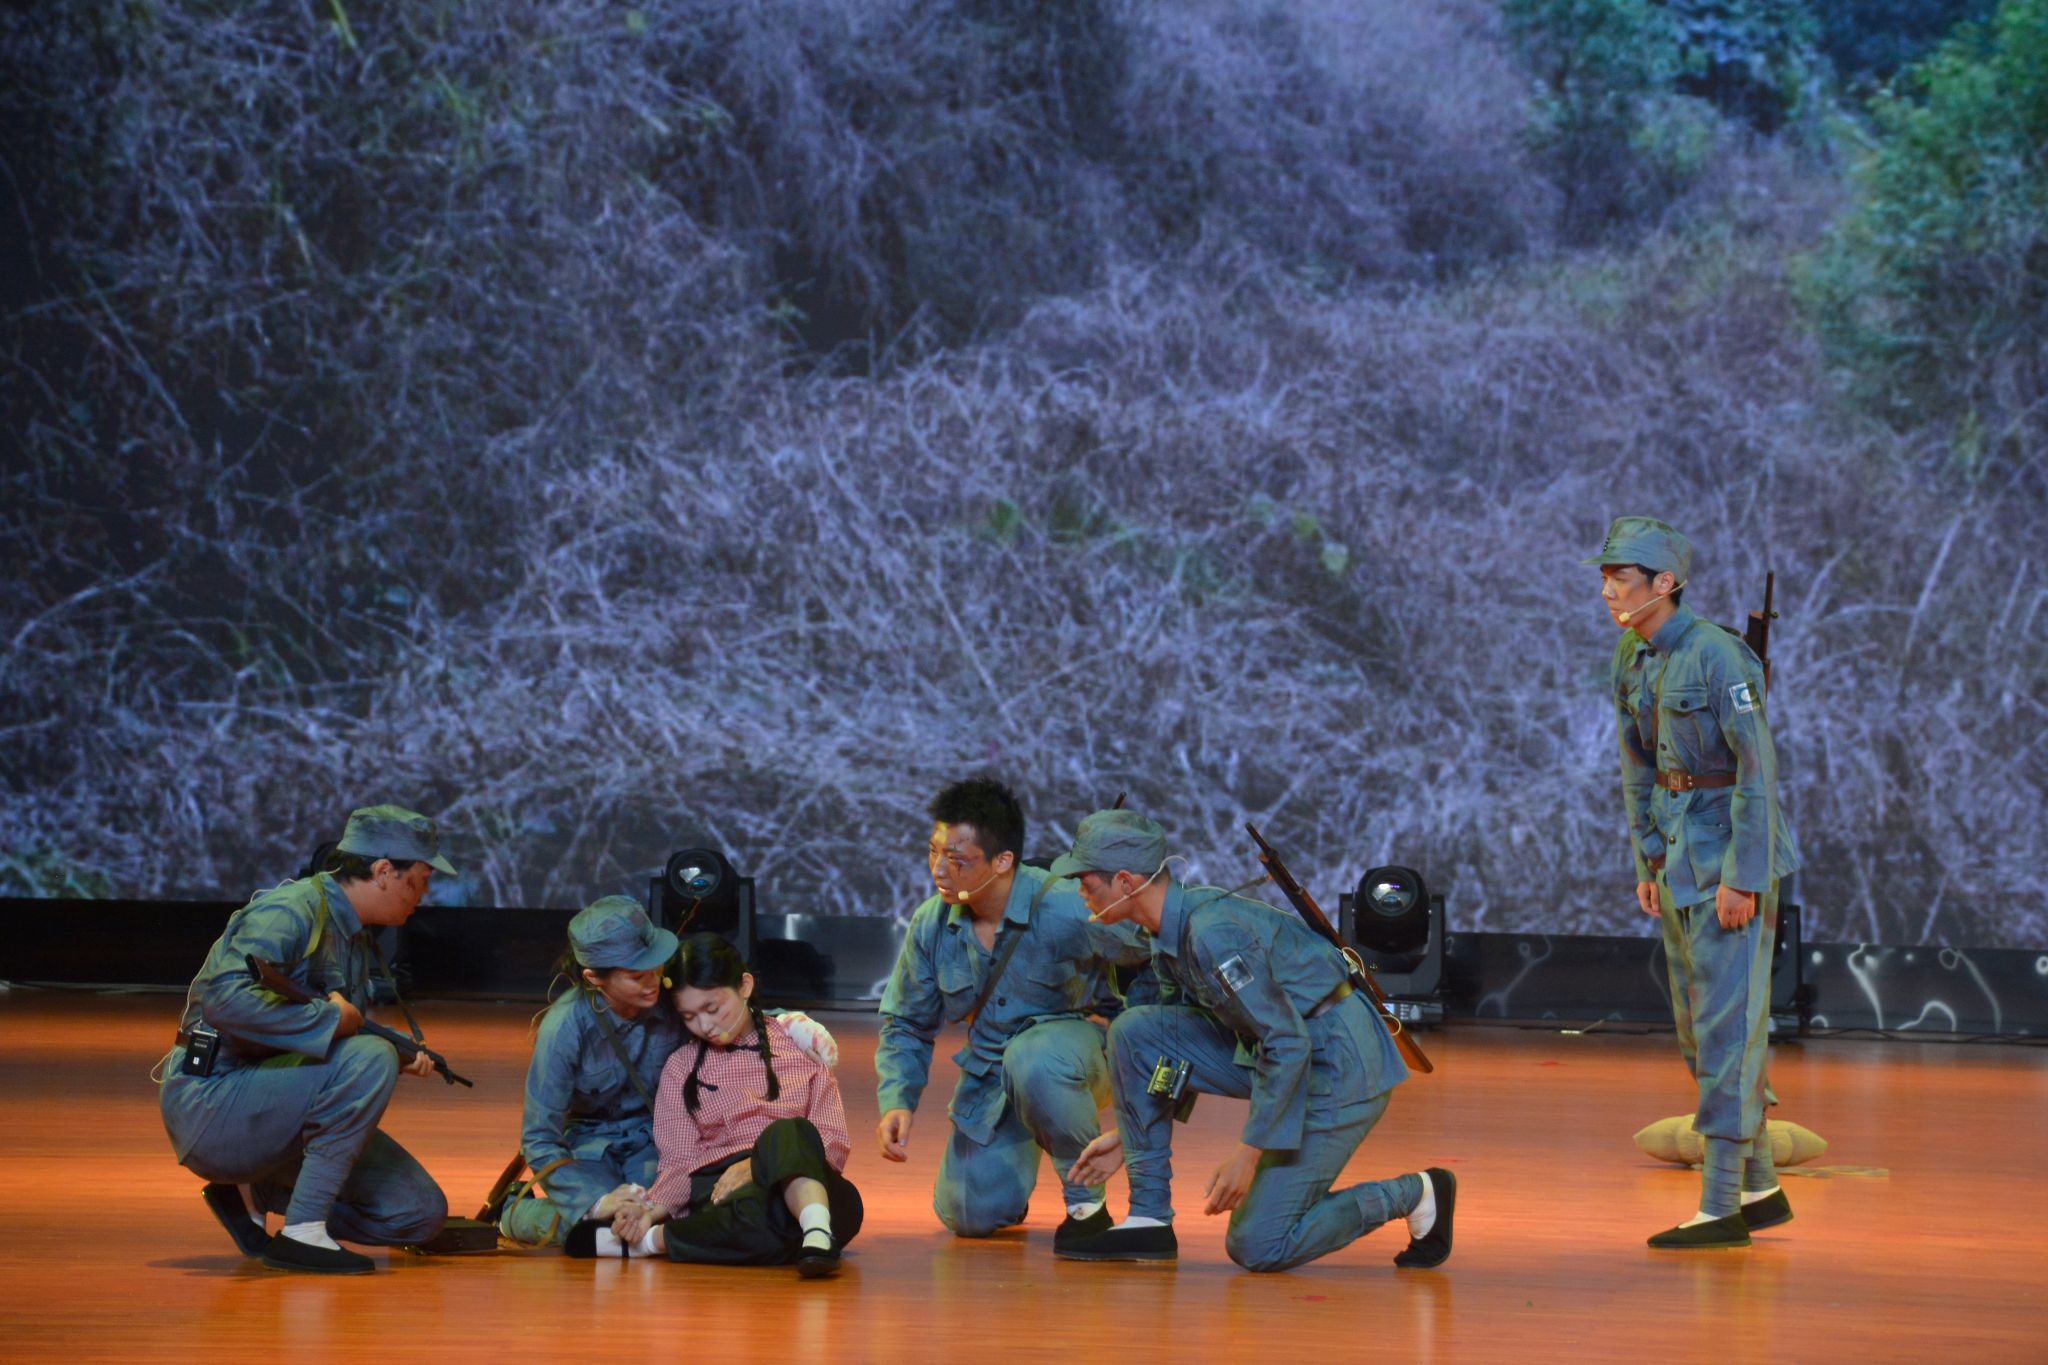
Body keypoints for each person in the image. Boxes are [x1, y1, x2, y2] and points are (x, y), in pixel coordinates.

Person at [1053, 809, 1454, 1272]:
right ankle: (1149, 1219)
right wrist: (1130, 1136)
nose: (1080, 892)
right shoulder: (1167, 935)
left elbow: (1288, 1042)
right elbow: (1173, 1056)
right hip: (1283, 1052)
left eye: (1086, 881)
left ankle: (1417, 1193)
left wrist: (1249, 1152)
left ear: (1125, 882)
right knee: (1138, 1032)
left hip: (1340, 1069)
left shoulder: (1212, 934)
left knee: (1258, 1245)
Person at [1591, 515, 1802, 1249]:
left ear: (1665, 583)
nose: (1610, 590)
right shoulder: (1632, 654)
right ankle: (1760, 1186)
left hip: (1728, 862)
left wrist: (1743, 877)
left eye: (1623, 578)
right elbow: (1637, 766)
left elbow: (1757, 771)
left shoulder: (1718, 654)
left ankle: (1720, 1208)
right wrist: (1648, 859)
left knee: (1727, 1030)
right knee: (1699, 1028)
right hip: (1678, 857)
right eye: (1606, 577)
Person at [158, 805, 455, 1274]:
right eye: (419, 880)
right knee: (370, 1057)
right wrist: (332, 1022)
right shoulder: (290, 911)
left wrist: (398, 1050)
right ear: (383, 872)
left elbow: (336, 1025)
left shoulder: (352, 932)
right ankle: (303, 1232)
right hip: (212, 1098)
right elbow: (224, 1001)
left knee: (418, 1213)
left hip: (270, 1100)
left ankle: (254, 1191)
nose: (424, 894)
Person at [874, 776, 1153, 1249]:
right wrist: (897, 1100)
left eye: (958, 860)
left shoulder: (1068, 906)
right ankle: (1029, 1143)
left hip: (1075, 1059)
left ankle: (1087, 1211)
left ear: (1003, 860)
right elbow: (907, 1022)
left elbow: (1153, 950)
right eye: (933, 852)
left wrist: (1135, 1030)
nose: (939, 870)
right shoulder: (932, 923)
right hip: (992, 1075)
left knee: (1036, 1059)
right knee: (966, 1215)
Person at [503, 896, 841, 1246]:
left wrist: (788, 1022)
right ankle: (516, 1213)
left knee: (666, 1212)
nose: (653, 981)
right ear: (594, 978)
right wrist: (595, 1203)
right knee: (601, 1226)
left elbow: (725, 1005)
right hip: (591, 1144)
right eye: (637, 976)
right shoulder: (563, 1029)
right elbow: (539, 1137)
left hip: (657, 1137)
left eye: (655, 965)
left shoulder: (664, 994)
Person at [567, 933, 862, 1278]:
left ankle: (653, 1243)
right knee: (754, 1210)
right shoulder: (681, 1067)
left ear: (745, 986)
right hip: (725, 1189)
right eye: (689, 1016)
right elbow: (679, 1161)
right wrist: (651, 1210)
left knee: (804, 1150)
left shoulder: (800, 1047)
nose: (705, 1026)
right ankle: (816, 1234)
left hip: (801, 1170)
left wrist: (760, 1165)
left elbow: (832, 1140)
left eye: (713, 1009)